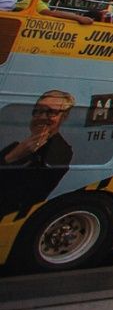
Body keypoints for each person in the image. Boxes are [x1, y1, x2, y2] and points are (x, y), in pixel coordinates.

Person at [0, 89, 75, 217]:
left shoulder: (59, 152)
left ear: (64, 116)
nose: (41, 117)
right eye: (38, 111)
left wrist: (13, 157)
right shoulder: (19, 145)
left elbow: (23, 196)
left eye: (51, 112)